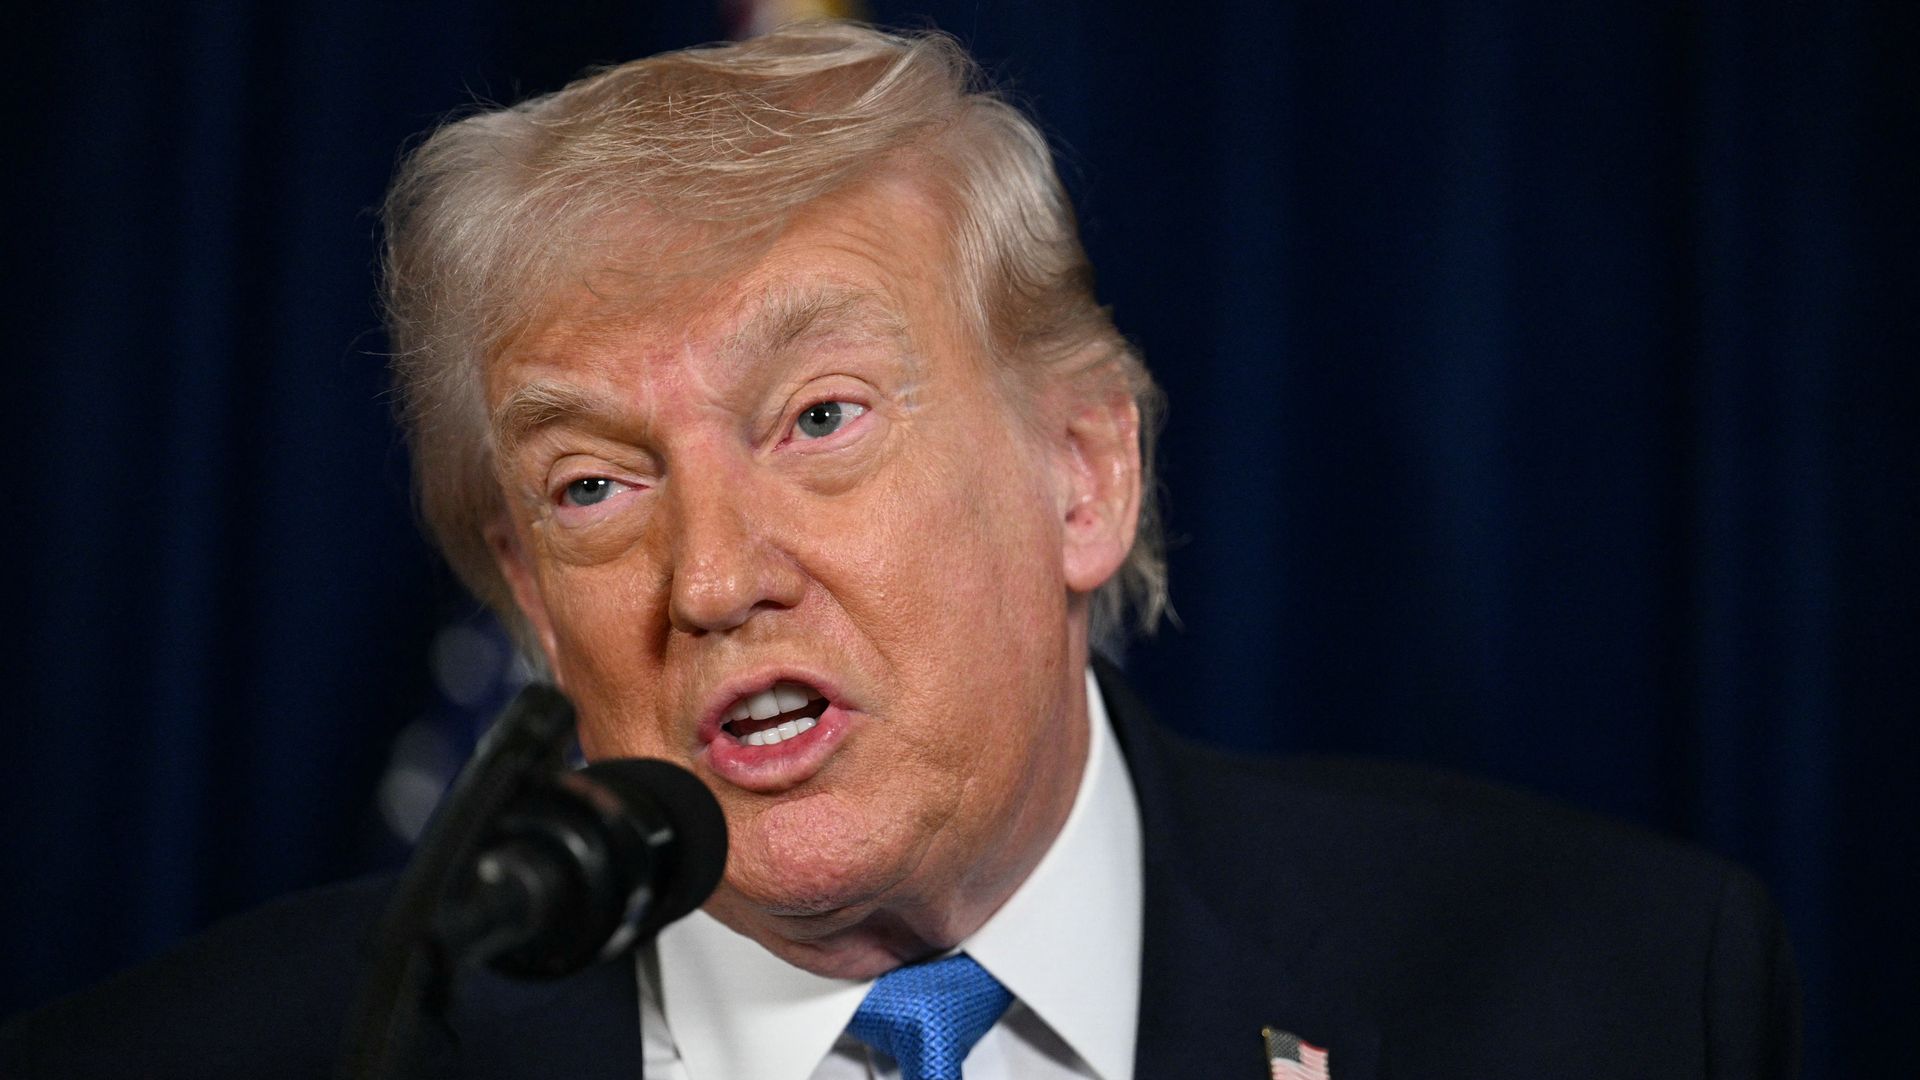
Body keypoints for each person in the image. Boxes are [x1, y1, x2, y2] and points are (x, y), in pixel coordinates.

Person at [1, 22, 1798, 1080]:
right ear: (525, 601)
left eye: (821, 420)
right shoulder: (232, 1057)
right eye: (592, 488)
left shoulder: (1610, 996)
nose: (714, 579)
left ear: (1082, 477)